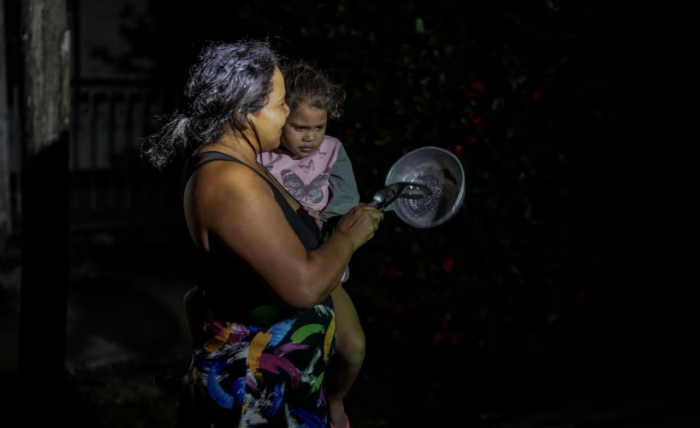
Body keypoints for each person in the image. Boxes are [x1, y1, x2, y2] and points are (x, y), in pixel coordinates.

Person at [144, 39, 383, 427]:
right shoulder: (229, 183)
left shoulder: (244, 166)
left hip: (284, 384)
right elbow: (302, 288)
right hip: (255, 391)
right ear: (243, 114)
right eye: (281, 104)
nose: (287, 113)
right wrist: (348, 237)